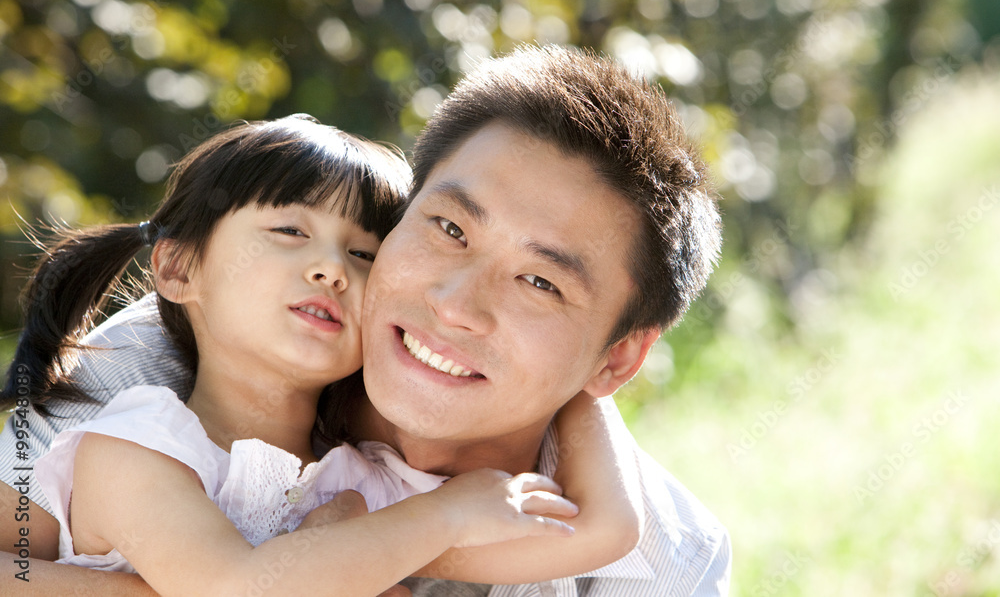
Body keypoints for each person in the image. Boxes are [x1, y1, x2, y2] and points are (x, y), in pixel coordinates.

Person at [1, 45, 731, 595]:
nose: (454, 304)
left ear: (618, 358)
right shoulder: (166, 357)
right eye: (449, 228)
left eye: (541, 282)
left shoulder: (671, 564)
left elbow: (602, 533)